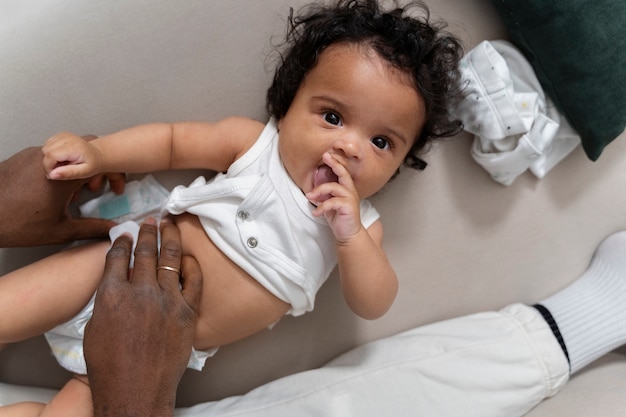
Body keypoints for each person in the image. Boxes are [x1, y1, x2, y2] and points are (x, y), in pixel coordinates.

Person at [2, 0, 464, 416]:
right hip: (112, 268)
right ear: (289, 106)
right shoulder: (254, 145)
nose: (349, 146)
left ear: (399, 164)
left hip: (151, 354)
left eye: (381, 142)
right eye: (333, 117)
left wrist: (349, 236)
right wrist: (101, 155)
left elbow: (374, 302)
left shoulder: (360, 227)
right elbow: (170, 143)